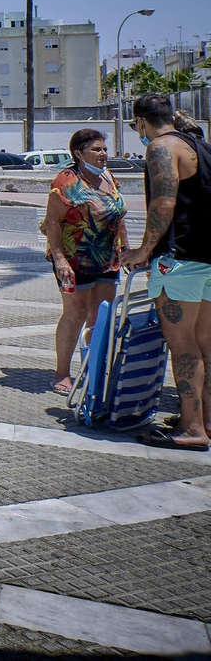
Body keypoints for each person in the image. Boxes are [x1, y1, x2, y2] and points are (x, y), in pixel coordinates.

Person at [122, 95, 211, 452]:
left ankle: (192, 429)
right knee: (206, 345)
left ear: (141, 122)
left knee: (183, 346)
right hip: (206, 259)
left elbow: (163, 201)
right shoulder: (201, 147)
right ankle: (205, 419)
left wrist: (143, 250)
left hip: (179, 261)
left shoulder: (162, 147)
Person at [42, 129, 127, 396]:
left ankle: (94, 368)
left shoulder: (108, 177)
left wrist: (126, 249)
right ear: (79, 153)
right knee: (75, 314)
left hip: (107, 259)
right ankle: (62, 372)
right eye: (96, 149)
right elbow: (53, 222)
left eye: (104, 149)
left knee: (100, 316)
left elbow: (118, 215)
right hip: (74, 259)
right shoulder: (66, 181)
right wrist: (58, 258)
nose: (103, 154)